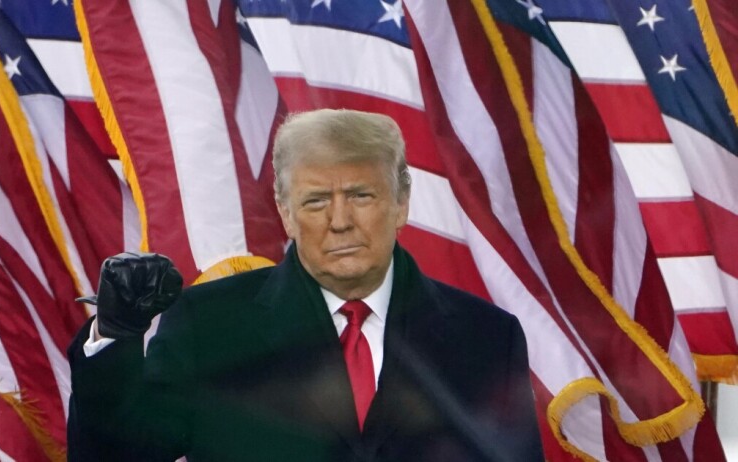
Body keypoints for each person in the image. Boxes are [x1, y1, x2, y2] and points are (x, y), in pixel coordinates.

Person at [67, 109, 544, 461]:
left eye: (361, 195)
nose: (340, 222)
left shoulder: (486, 336)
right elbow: (117, 455)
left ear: (401, 203)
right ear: (285, 213)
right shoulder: (208, 325)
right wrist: (116, 335)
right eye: (316, 201)